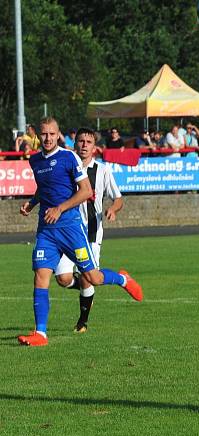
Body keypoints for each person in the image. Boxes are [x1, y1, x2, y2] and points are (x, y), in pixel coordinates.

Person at [17, 118, 142, 347]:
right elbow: (44, 188)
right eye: (44, 134)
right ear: (39, 136)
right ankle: (41, 334)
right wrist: (32, 203)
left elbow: (86, 192)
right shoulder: (34, 160)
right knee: (42, 277)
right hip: (46, 230)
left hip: (72, 228)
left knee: (92, 277)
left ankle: (123, 279)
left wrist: (60, 208)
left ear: (58, 135)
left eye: (52, 134)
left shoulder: (69, 157)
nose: (47, 138)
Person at [43, 128, 123, 332]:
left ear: (95, 147)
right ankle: (98, 285)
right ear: (75, 143)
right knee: (63, 279)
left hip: (91, 233)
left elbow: (118, 198)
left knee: (88, 277)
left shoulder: (103, 170)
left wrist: (112, 209)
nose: (84, 145)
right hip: (66, 231)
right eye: (81, 141)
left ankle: (82, 322)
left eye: (89, 141)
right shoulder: (65, 165)